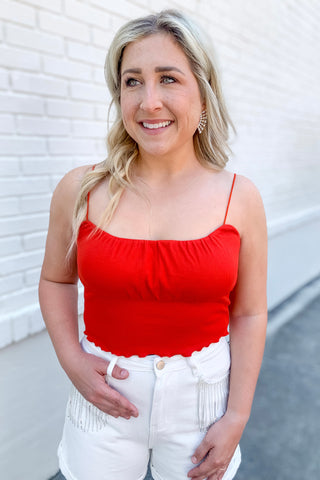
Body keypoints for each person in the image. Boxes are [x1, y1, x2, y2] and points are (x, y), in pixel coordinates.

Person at [39, 9, 267, 480]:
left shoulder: (239, 198)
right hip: (104, 397)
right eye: (132, 81)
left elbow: (248, 313)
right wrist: (71, 359)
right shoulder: (80, 189)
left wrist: (238, 417)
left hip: (202, 403)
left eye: (168, 79)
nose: (149, 101)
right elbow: (55, 280)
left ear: (203, 94)